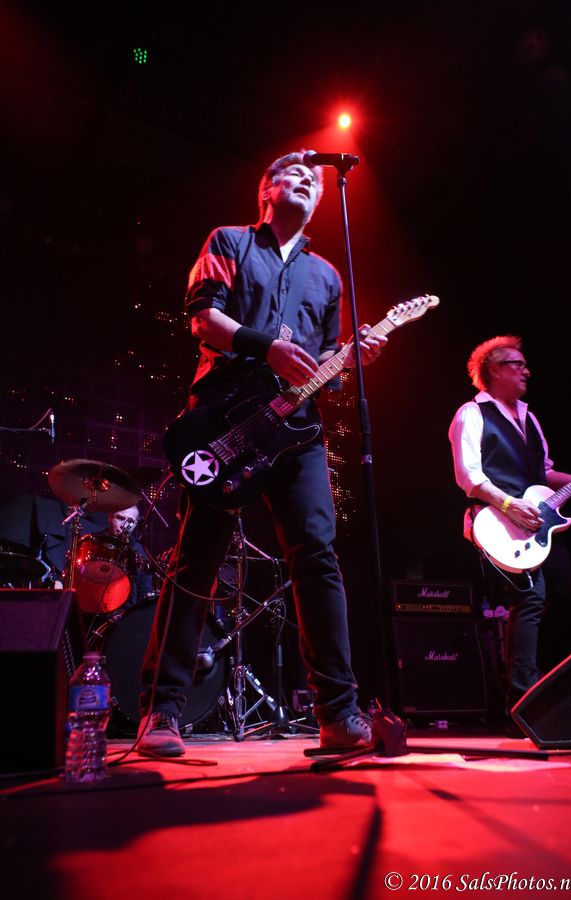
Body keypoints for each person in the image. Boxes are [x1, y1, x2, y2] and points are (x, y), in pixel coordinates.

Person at [136, 150, 386, 756]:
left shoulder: (328, 276)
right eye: (292, 174)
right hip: (224, 417)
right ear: (266, 190)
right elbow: (204, 320)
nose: (307, 180)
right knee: (197, 558)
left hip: (295, 430)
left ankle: (338, 714)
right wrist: (264, 346)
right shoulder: (229, 241)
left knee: (317, 556)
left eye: (314, 180)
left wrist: (349, 361)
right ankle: (160, 712)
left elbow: (321, 363)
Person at [448, 335, 571, 722]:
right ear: (494, 370)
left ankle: (537, 677)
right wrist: (507, 504)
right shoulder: (472, 413)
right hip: (498, 522)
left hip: (539, 524)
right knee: (530, 598)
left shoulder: (529, 418)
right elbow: (469, 476)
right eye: (517, 364)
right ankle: (521, 703)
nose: (526, 371)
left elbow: (543, 474)